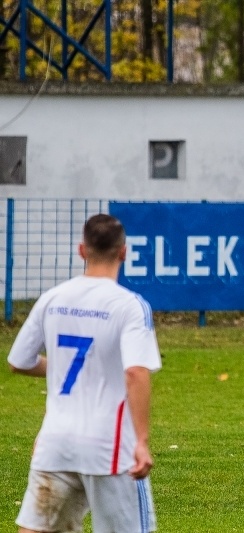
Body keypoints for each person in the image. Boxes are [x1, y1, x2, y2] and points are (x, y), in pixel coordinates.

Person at [7, 214, 162, 533]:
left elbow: (19, 361)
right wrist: (142, 442)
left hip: (55, 443)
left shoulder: (53, 298)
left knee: (36, 530)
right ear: (124, 252)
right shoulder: (130, 306)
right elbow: (136, 372)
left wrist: (60, 366)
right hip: (109, 448)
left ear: (81, 250)